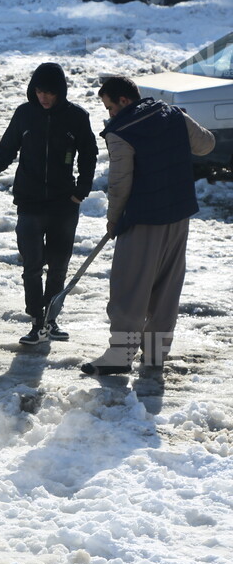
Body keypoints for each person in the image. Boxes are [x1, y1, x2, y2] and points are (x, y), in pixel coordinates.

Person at [81, 76, 215, 376]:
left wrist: (113, 218)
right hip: (179, 214)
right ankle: (154, 354)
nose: (110, 114)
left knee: (130, 287)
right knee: (166, 287)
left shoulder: (122, 131)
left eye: (110, 107)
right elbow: (206, 145)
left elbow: (120, 182)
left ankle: (119, 355)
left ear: (124, 101)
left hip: (143, 218)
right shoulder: (173, 114)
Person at [0, 62, 98, 345]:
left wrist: (82, 190)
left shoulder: (76, 117)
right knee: (31, 265)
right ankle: (36, 320)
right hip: (29, 203)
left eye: (50, 93)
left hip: (64, 204)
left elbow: (89, 154)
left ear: (60, 92)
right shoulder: (24, 114)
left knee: (58, 266)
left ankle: (51, 320)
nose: (44, 98)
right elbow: (6, 150)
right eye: (39, 91)